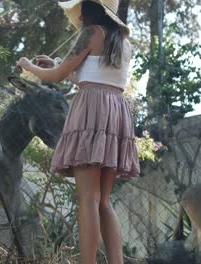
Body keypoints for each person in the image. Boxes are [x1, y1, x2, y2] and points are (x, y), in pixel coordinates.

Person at [17, 1, 140, 263]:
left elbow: (57, 77)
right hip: (116, 113)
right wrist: (56, 63)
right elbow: (92, 75)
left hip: (91, 111)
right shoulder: (123, 42)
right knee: (103, 202)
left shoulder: (90, 33)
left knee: (88, 199)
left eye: (83, 7)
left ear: (95, 10)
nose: (80, 13)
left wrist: (29, 66)